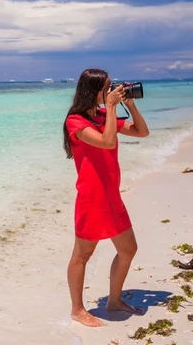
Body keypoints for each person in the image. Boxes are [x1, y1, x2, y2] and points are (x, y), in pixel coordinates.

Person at [62, 68, 150, 327]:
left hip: (111, 196)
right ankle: (77, 310)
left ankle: (113, 301)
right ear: (93, 90)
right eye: (107, 88)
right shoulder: (76, 122)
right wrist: (111, 108)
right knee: (81, 255)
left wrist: (130, 106)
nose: (111, 92)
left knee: (128, 249)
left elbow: (142, 132)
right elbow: (107, 142)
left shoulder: (102, 115)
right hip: (92, 199)